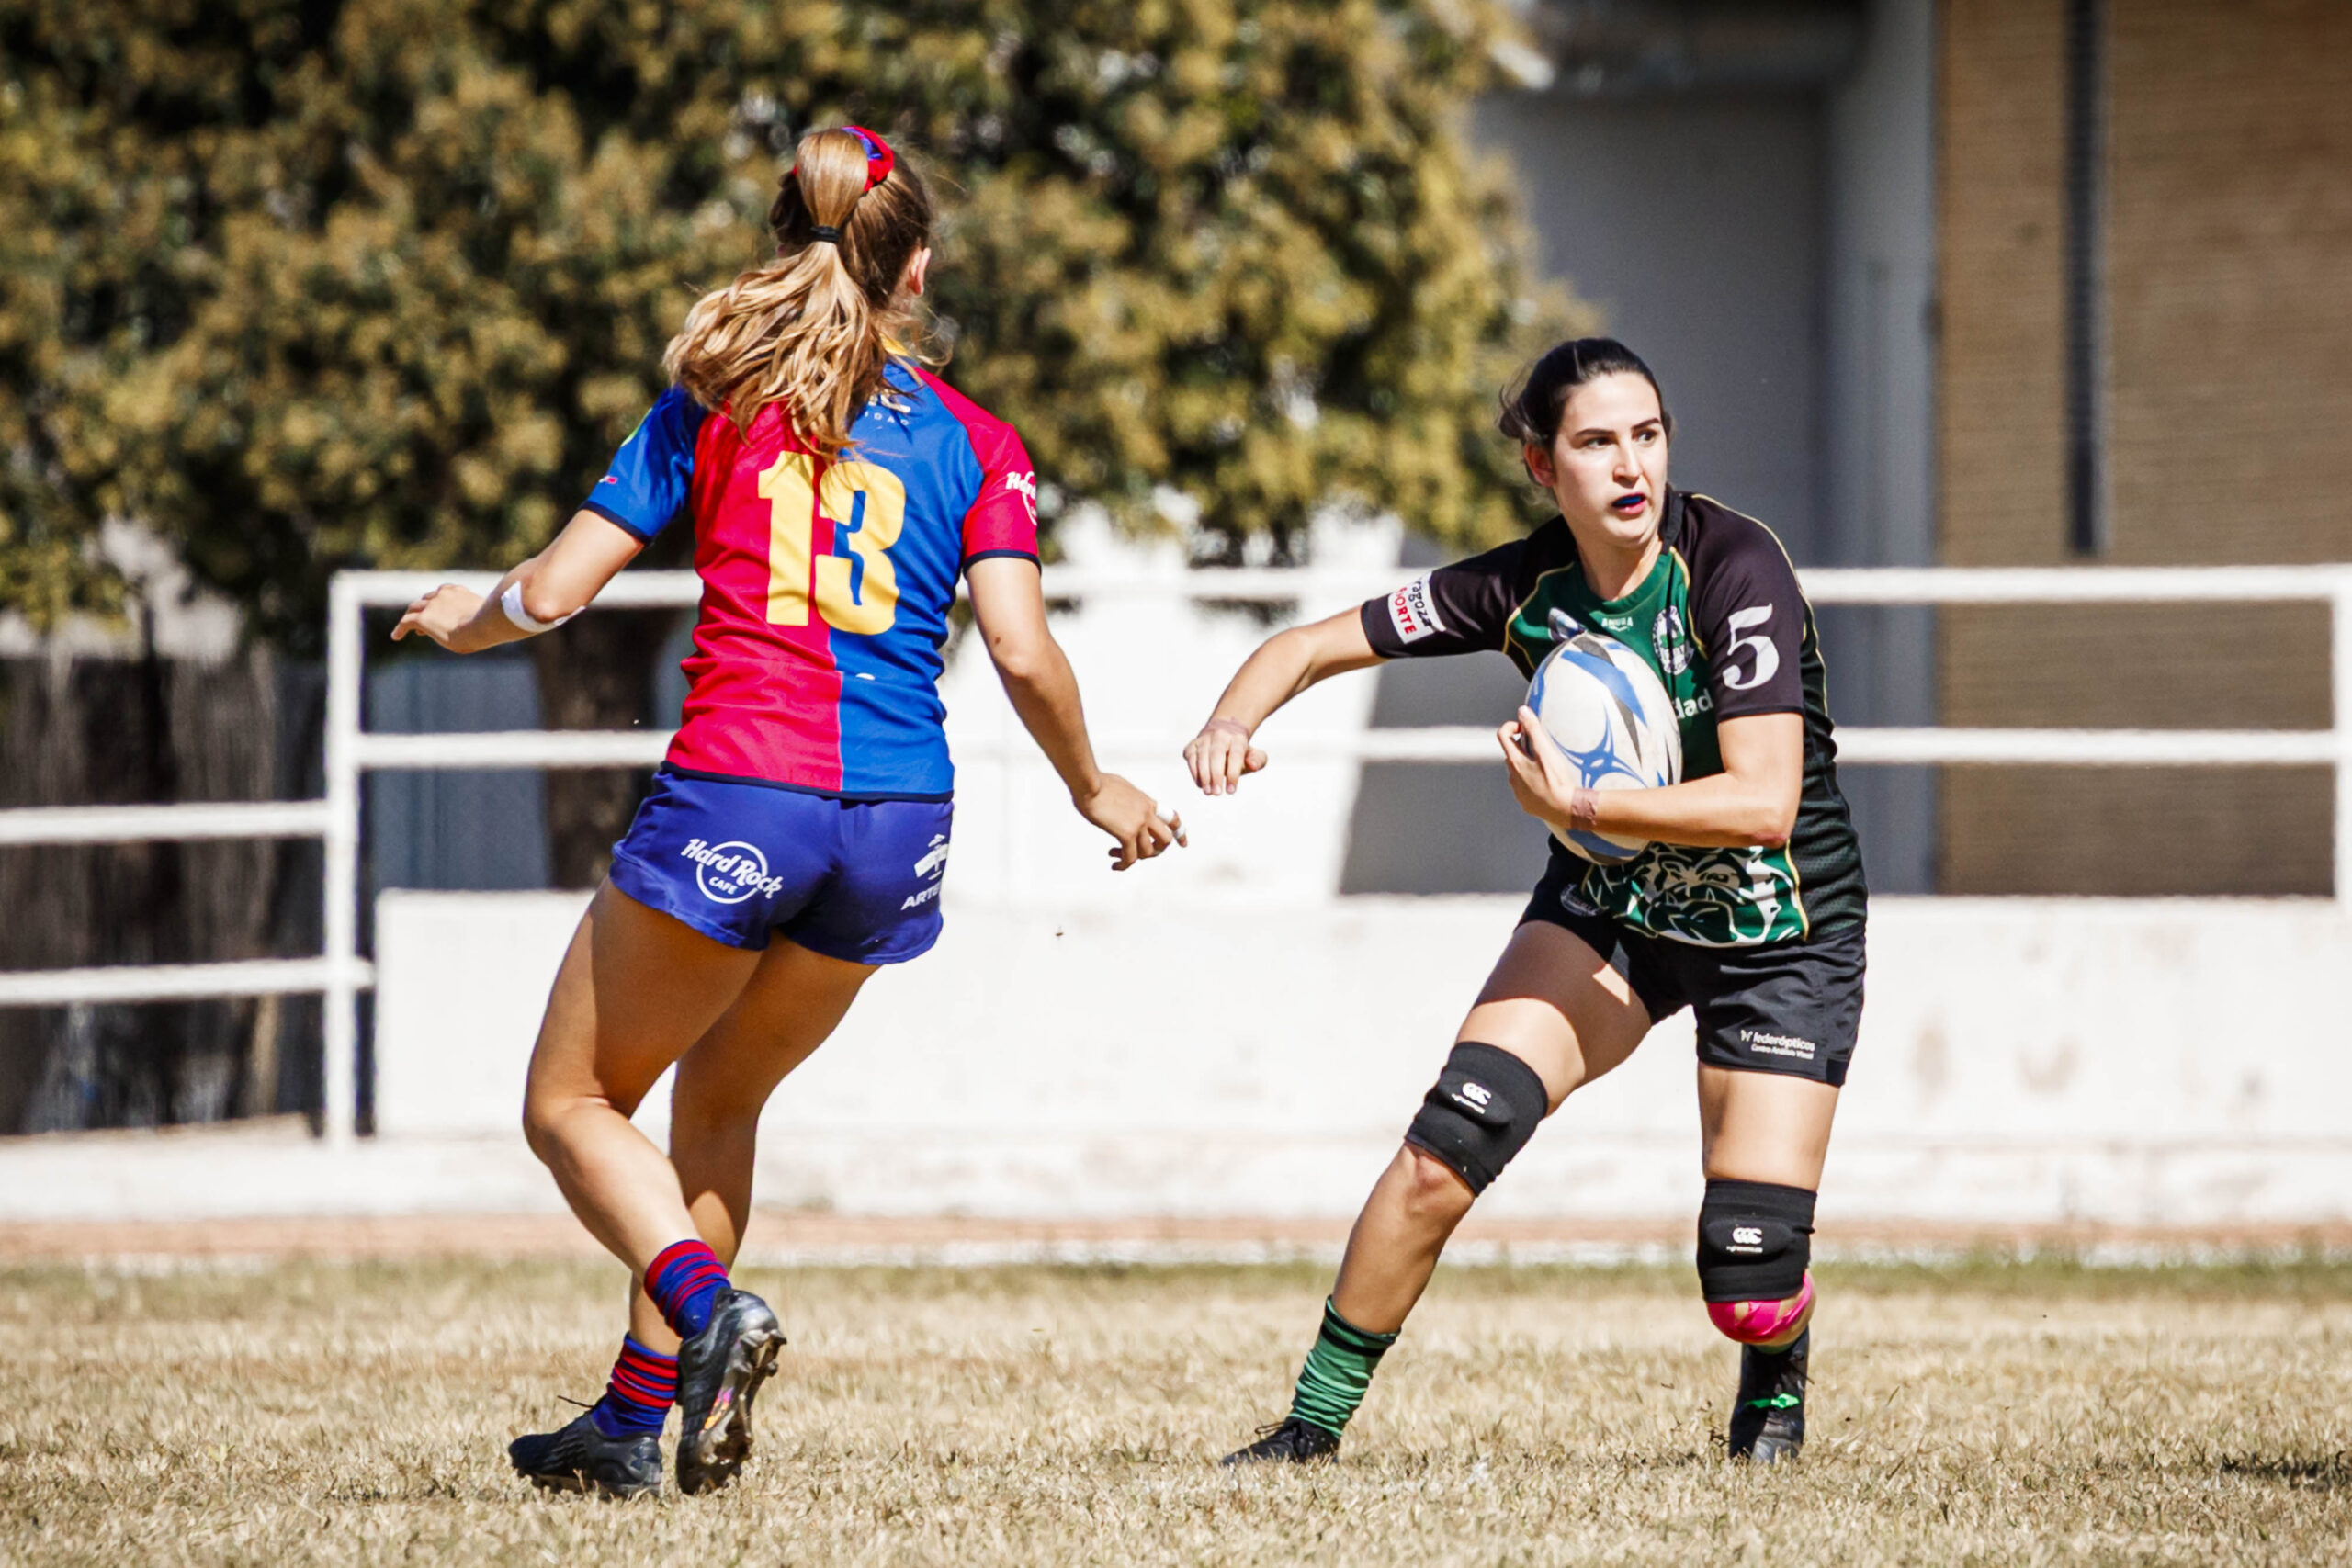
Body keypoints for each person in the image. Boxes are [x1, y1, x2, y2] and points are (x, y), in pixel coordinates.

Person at [393, 125, 1181, 1499]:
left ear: (783, 240)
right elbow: (1020, 649)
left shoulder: (713, 392)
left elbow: (560, 590)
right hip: (894, 825)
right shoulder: (981, 441)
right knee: (724, 1092)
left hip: (742, 790)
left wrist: (472, 619)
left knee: (572, 1099)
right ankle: (637, 1422)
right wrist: (1092, 785)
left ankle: (707, 1312)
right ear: (919, 266)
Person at [1186, 337, 1866, 1468]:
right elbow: (1308, 645)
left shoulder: (1735, 565)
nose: (1630, 465)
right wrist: (1228, 720)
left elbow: (1763, 805)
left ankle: (1774, 1368)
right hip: (1612, 910)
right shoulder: (1517, 588)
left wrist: (1591, 801)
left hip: (1777, 933)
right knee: (1446, 1145)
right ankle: (1308, 1427)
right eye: (1596, 442)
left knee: (1746, 1275)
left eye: (1645, 435)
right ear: (1542, 466)